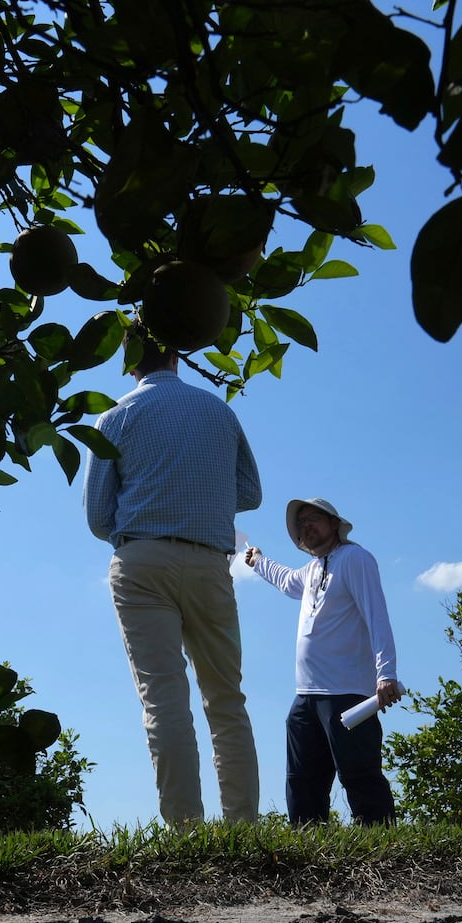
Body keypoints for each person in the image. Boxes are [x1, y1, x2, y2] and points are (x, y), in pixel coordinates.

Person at [83, 324, 262, 826]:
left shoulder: (114, 417)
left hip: (140, 562)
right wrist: (203, 492)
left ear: (129, 361)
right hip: (209, 561)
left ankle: (186, 831)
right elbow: (249, 494)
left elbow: (99, 519)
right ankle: (242, 828)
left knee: (163, 700)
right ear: (178, 355)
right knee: (226, 699)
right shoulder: (219, 411)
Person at [244, 499, 400, 825]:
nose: (306, 526)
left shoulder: (355, 559)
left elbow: (377, 615)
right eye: (301, 523)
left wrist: (386, 673)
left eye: (313, 518)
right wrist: (258, 561)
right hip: (306, 695)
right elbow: (287, 581)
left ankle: (381, 847)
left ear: (333, 522)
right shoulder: (313, 569)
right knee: (302, 779)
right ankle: (307, 847)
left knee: (359, 775)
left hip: (347, 692)